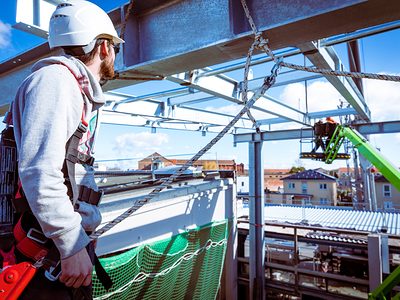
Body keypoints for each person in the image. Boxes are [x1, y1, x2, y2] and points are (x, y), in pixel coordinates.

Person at [10, 0, 124, 298]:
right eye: (116, 48)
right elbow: (40, 171)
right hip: (43, 260)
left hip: (56, 251)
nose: (115, 56)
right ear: (104, 47)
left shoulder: (69, 86)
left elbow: (67, 169)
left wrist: (82, 230)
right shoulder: (56, 81)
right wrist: (70, 239)